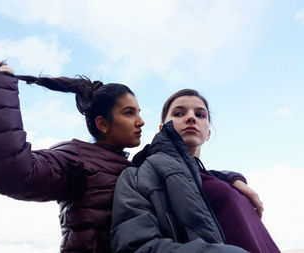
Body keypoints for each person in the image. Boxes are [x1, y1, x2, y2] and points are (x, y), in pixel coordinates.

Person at [0, 63, 264, 253]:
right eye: (129, 113)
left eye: (139, 112)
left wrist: (231, 179)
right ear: (102, 124)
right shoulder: (76, 158)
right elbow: (10, 169)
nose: (140, 121)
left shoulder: (133, 168)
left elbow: (182, 165)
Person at [110, 89, 280, 253]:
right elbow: (136, 246)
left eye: (200, 115)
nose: (191, 117)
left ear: (208, 133)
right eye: (178, 113)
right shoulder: (137, 177)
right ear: (162, 128)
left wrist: (234, 179)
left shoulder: (218, 178)